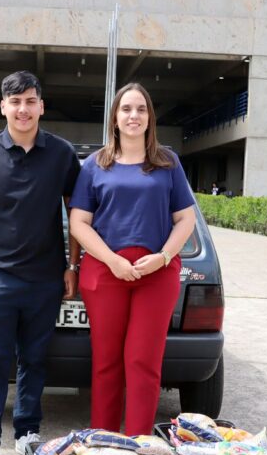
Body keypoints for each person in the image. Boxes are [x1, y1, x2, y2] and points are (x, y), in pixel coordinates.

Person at [0, 71, 81, 455]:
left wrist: (72, 265)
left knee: (34, 359)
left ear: (41, 106)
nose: (22, 109)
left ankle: (27, 432)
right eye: (15, 102)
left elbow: (76, 214)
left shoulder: (61, 154)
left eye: (29, 101)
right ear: (3, 107)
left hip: (46, 279)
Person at [68, 83, 197, 436]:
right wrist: (112, 261)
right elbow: (78, 223)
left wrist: (164, 256)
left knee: (143, 362)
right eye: (126, 109)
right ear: (115, 118)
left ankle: (139, 444)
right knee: (106, 363)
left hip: (156, 274)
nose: (133, 116)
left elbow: (186, 219)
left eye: (141, 109)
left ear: (150, 118)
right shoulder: (95, 165)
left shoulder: (168, 163)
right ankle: (104, 444)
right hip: (105, 271)